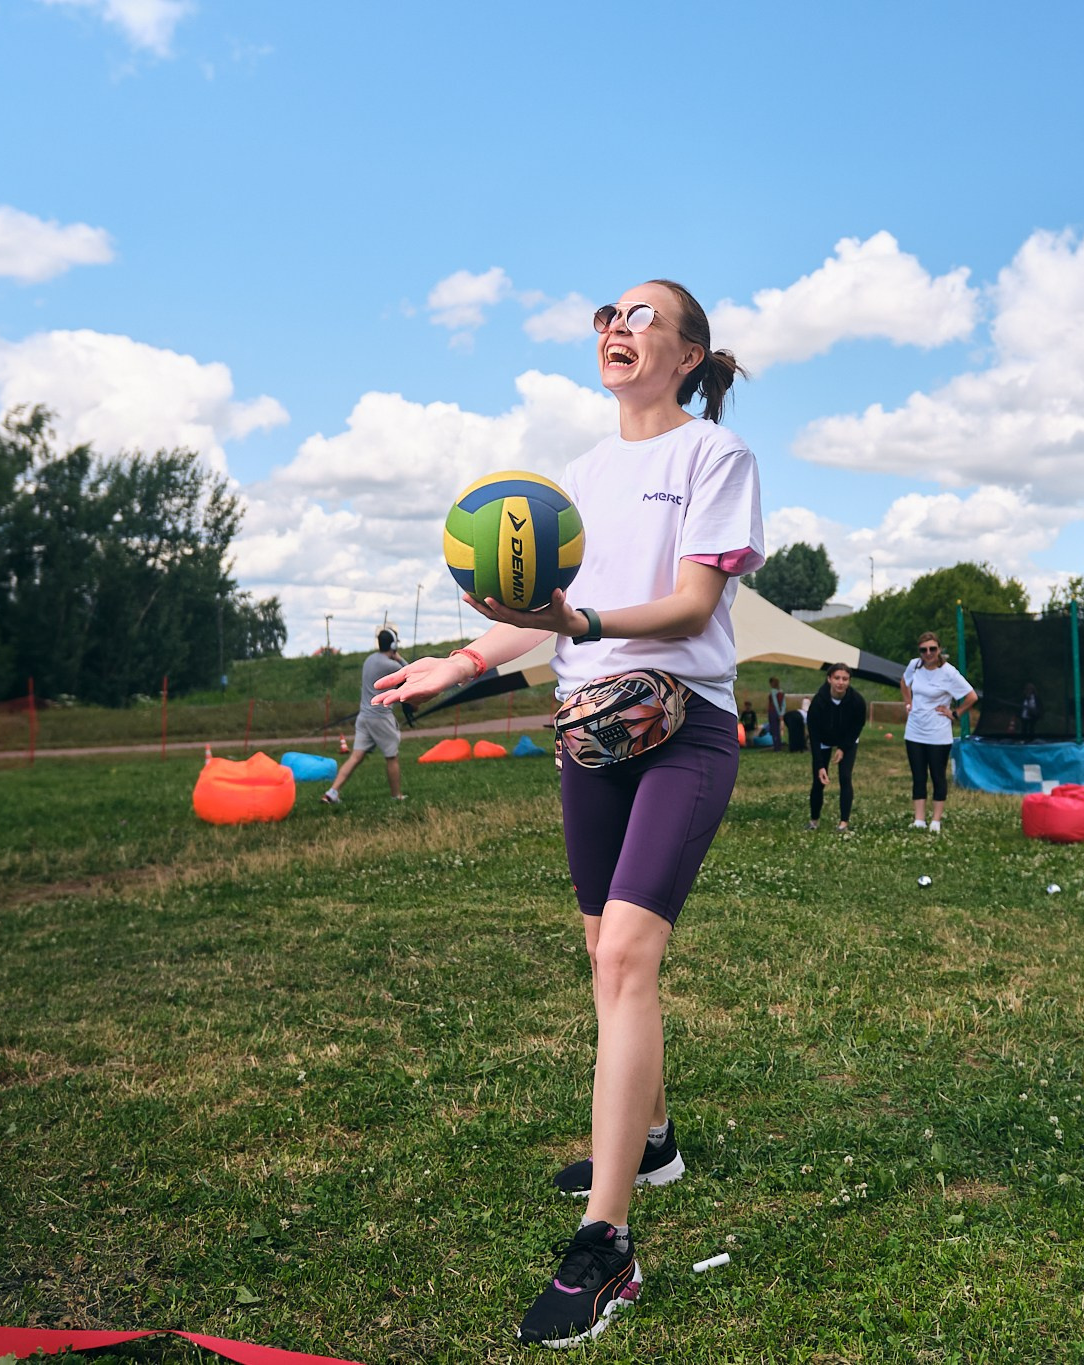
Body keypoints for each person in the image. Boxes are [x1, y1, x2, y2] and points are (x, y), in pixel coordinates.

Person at [369, 280, 760, 1349]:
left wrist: (577, 617)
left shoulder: (712, 459)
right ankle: (656, 1139)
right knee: (600, 953)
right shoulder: (571, 484)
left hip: (684, 728)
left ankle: (607, 1245)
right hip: (590, 730)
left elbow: (687, 608)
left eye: (641, 317)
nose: (616, 328)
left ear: (687, 355)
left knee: (627, 960)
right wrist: (453, 661)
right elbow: (531, 624)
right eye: (606, 315)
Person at [900, 630, 977, 833]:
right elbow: (903, 681)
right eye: (923, 650)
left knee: (937, 775)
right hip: (914, 730)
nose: (928, 653)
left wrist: (955, 713)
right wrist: (908, 703)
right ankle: (918, 819)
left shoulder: (949, 672)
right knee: (918, 775)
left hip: (938, 733)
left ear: (939, 649)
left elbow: (971, 696)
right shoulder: (914, 665)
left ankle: (936, 820)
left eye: (932, 649)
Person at [322, 629, 405, 804]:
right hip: (381, 717)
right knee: (392, 756)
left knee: (355, 756)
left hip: (364, 717)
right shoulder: (390, 665)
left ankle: (332, 792)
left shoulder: (369, 660)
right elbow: (409, 671)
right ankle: (397, 796)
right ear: (393, 645)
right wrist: (398, 657)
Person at [805, 662, 866, 832]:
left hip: (847, 739)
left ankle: (843, 823)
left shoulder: (857, 701)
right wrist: (819, 766)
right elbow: (814, 735)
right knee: (819, 781)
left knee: (845, 778)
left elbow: (857, 727)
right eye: (837, 678)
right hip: (823, 739)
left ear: (849, 681)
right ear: (829, 679)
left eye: (845, 679)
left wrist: (843, 748)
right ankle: (814, 821)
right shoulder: (818, 702)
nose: (841, 682)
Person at [765, 676, 786, 753]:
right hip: (779, 712)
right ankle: (779, 745)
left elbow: (775, 703)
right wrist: (782, 713)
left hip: (773, 712)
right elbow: (783, 704)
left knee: (774, 729)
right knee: (778, 729)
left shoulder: (773, 692)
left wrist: (778, 713)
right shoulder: (781, 692)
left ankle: (776, 747)